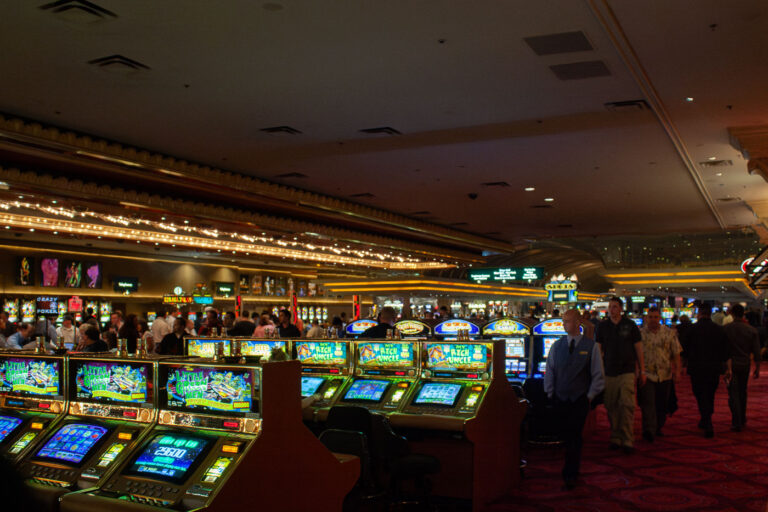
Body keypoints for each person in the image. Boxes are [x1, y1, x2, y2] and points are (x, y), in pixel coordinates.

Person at [544, 309, 604, 489]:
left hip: (579, 399)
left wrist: (589, 396)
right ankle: (570, 469)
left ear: (578, 322)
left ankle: (570, 473)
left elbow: (598, 375)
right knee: (566, 435)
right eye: (563, 321)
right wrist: (550, 393)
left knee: (574, 437)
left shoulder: (591, 346)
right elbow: (550, 371)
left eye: (568, 321)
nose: (564, 325)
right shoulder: (557, 345)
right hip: (560, 397)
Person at [595, 296, 645, 453]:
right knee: (611, 405)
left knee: (627, 404)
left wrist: (642, 369)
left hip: (627, 370)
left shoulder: (630, 325)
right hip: (609, 371)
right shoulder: (603, 326)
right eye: (610, 306)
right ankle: (615, 435)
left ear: (621, 309)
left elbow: (638, 348)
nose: (612, 309)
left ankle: (627, 438)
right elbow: (598, 349)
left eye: (615, 306)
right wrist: (597, 370)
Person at [685, 303, 731, 437]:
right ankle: (706, 418)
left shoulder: (692, 329)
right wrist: (727, 368)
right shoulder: (719, 329)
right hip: (713, 368)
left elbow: (685, 349)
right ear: (710, 313)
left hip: (697, 368)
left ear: (699, 313)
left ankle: (706, 419)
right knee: (709, 394)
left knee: (699, 393)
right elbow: (725, 351)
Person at [638, 307, 682, 441]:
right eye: (650, 317)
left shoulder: (669, 333)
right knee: (648, 403)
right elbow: (635, 354)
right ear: (646, 318)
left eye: (655, 317)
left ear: (660, 318)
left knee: (662, 404)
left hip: (665, 374)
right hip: (647, 373)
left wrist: (678, 371)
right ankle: (649, 430)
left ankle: (658, 427)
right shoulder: (640, 334)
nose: (653, 320)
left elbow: (676, 354)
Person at [723, 304, 760, 431]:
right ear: (743, 313)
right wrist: (758, 368)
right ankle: (742, 418)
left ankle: (736, 421)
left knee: (733, 393)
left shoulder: (726, 329)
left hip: (730, 365)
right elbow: (756, 351)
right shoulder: (751, 330)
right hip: (745, 364)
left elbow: (721, 349)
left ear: (732, 314)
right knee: (742, 392)